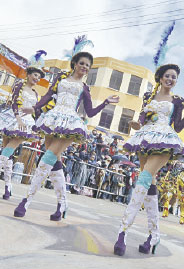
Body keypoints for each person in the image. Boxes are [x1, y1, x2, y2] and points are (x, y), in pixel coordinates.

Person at [14, 50, 119, 219]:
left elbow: (90, 112)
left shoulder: (84, 88)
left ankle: (26, 201)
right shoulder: (60, 79)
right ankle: (62, 204)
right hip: (53, 119)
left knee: (47, 158)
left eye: (88, 65)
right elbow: (48, 96)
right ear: (75, 63)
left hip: (71, 123)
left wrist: (106, 102)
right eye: (82, 63)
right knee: (55, 162)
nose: (85, 67)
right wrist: (34, 108)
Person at [114, 64, 184, 256]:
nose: (170, 79)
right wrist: (136, 123)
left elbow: (177, 127)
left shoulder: (178, 101)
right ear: (160, 77)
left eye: (174, 77)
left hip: (165, 139)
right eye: (167, 76)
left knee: (143, 179)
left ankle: (123, 232)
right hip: (145, 138)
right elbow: (143, 118)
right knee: (149, 183)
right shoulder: (148, 96)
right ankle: (154, 236)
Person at [0, 51, 45, 200]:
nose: (37, 78)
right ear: (29, 74)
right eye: (35, 75)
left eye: (39, 76)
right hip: (13, 119)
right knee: (7, 155)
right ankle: (8, 187)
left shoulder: (36, 94)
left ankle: (8, 188)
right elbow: (14, 102)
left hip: (25, 124)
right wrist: (18, 118)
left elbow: (35, 111)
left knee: (6, 153)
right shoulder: (19, 85)